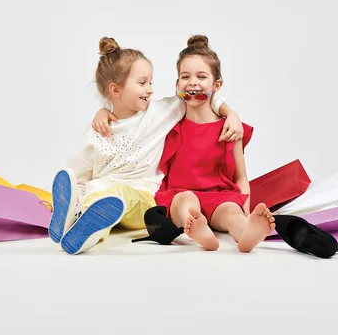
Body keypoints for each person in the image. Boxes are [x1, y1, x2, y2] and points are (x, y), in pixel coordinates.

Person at [49, 36, 244, 255]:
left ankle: (86, 227)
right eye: (143, 83)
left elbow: (201, 95)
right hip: (100, 198)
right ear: (115, 91)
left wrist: (231, 114)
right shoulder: (96, 133)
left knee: (115, 197)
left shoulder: (159, 113)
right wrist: (77, 196)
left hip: (143, 197)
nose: (151, 90)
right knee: (93, 198)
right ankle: (73, 225)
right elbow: (78, 174)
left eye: (151, 82)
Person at [154, 35, 276, 252]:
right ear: (177, 84)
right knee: (187, 200)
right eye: (185, 76)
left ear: (216, 85)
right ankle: (197, 228)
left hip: (219, 196)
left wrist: (244, 209)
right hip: (179, 194)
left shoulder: (230, 129)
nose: (192, 82)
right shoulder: (169, 124)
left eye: (201, 76)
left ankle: (246, 231)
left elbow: (241, 176)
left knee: (231, 211)